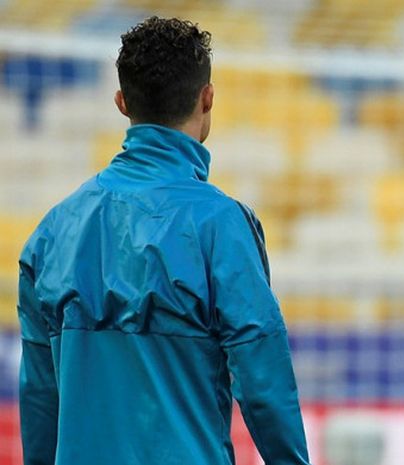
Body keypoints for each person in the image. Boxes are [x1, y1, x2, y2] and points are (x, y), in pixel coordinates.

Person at [17, 16, 310, 465]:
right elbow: (262, 381)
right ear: (207, 97)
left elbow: (40, 395)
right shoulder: (223, 226)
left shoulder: (51, 233)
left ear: (121, 103)